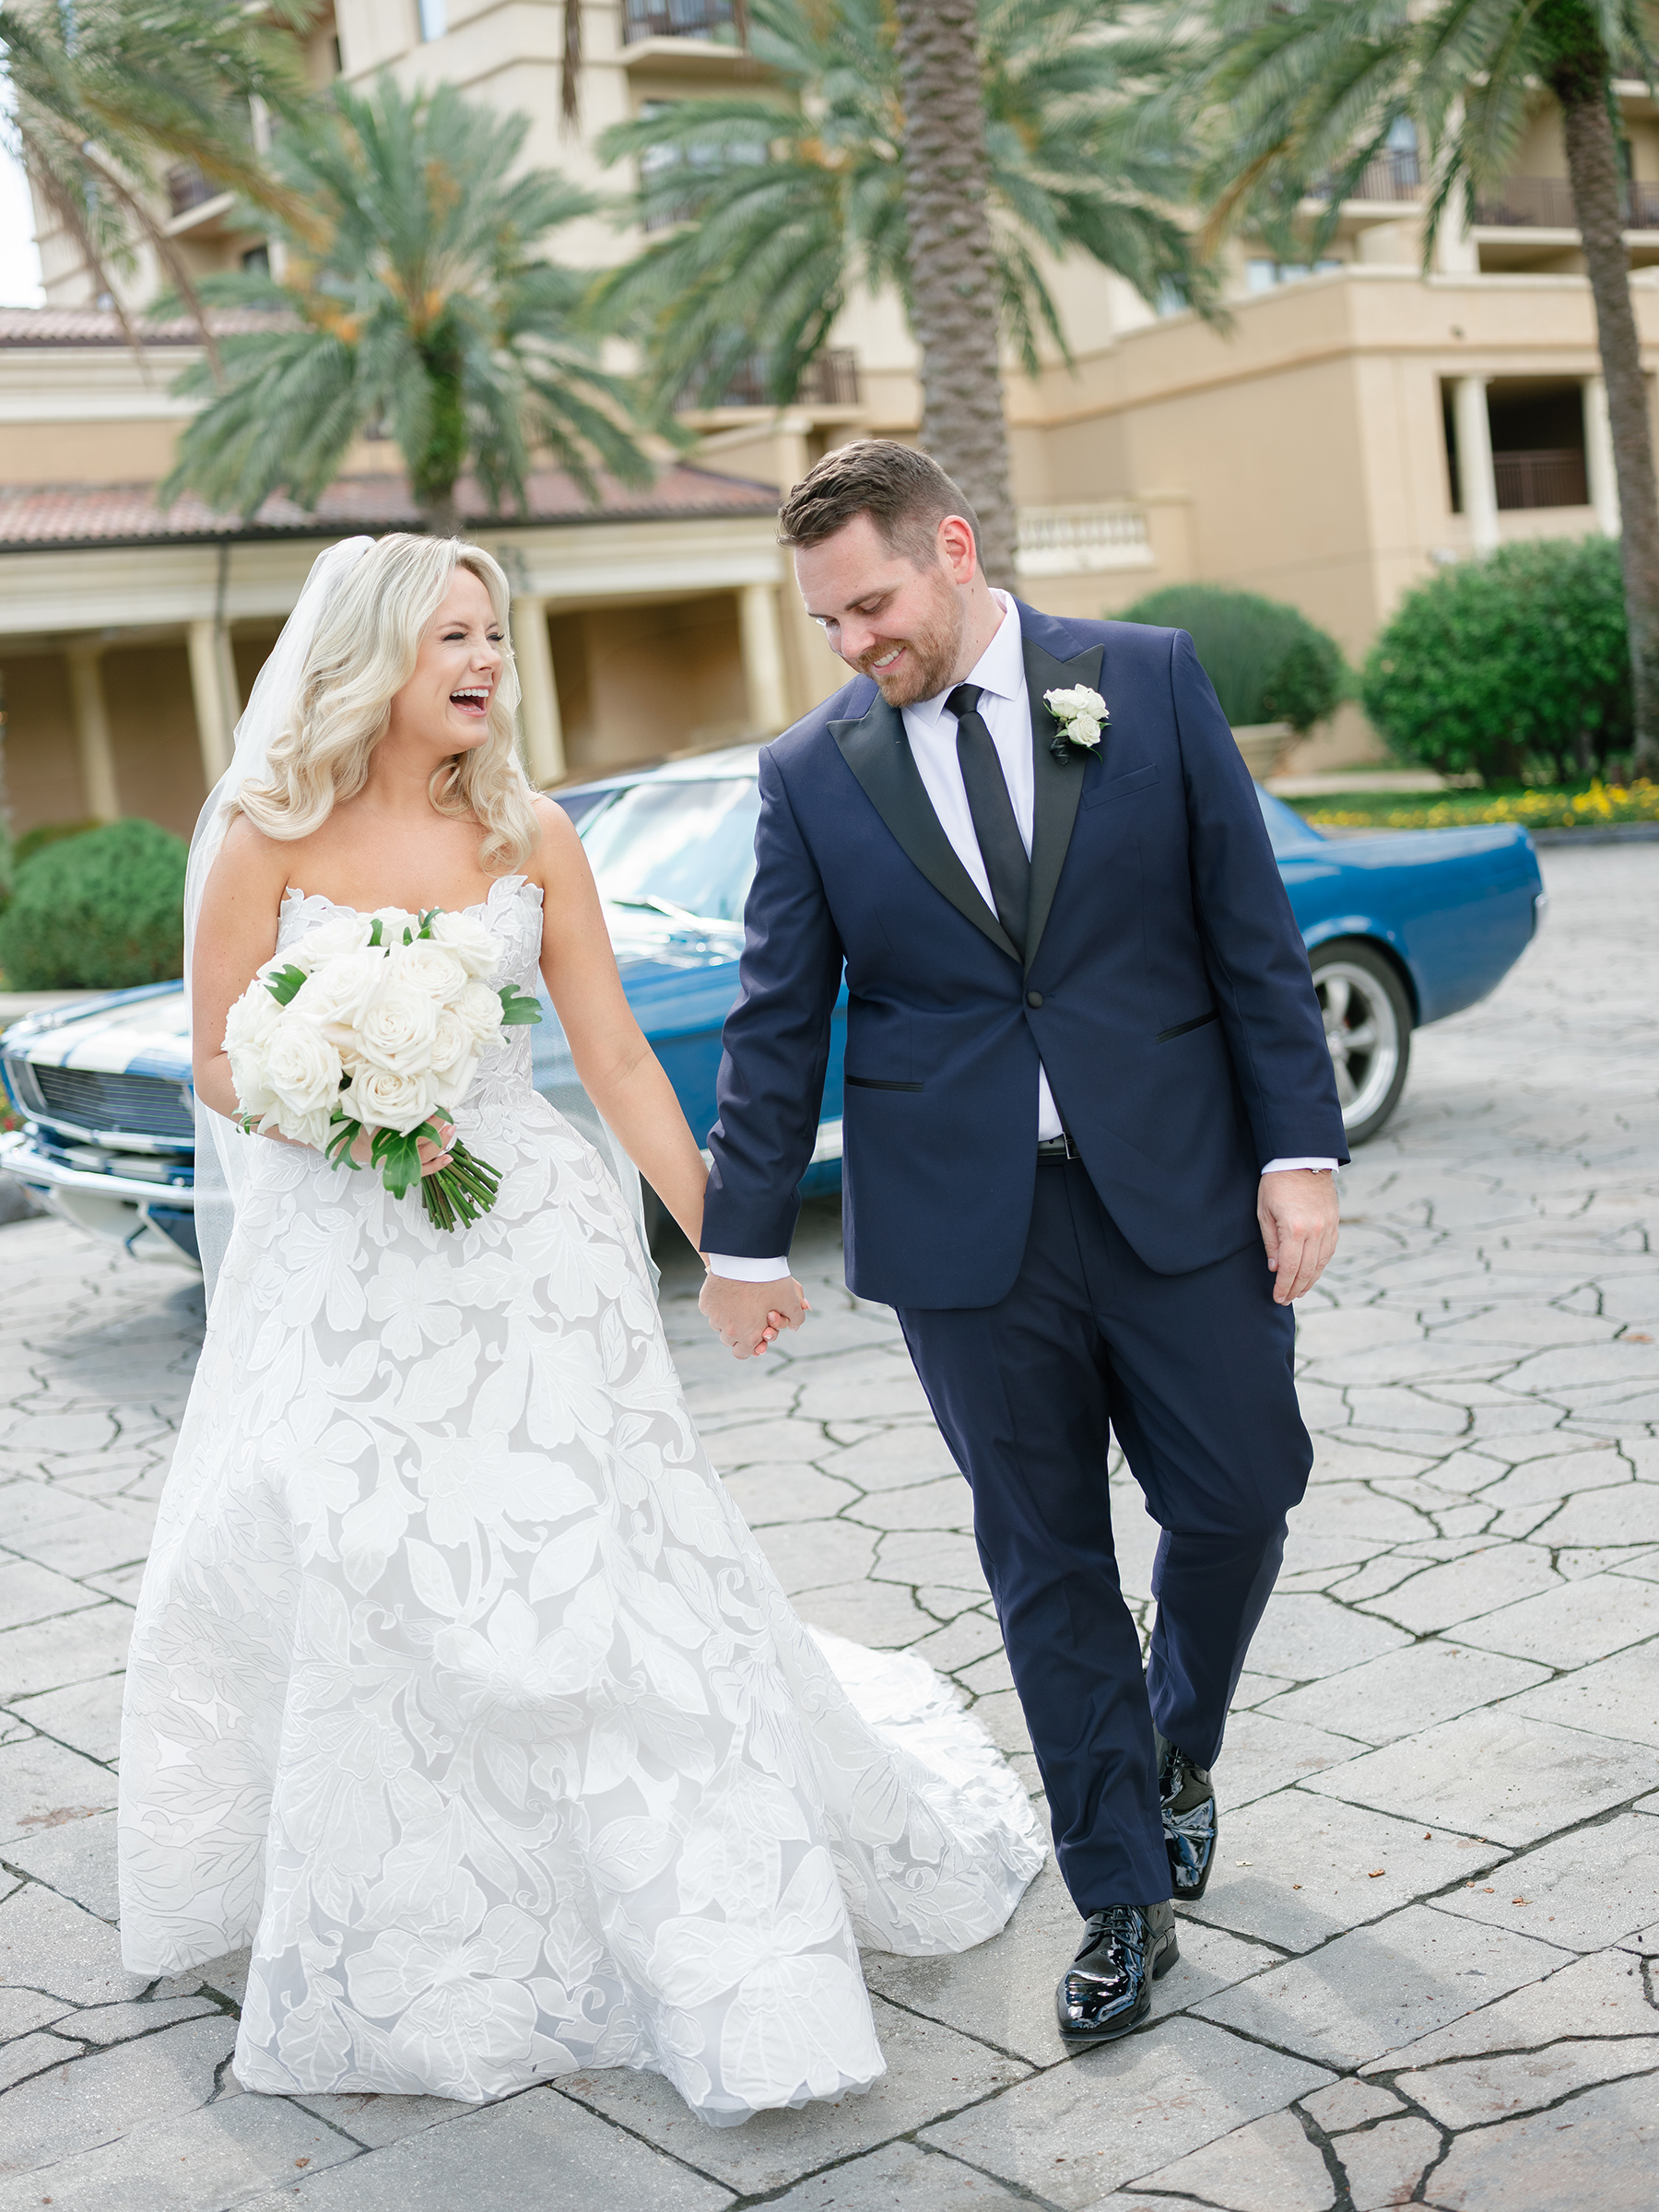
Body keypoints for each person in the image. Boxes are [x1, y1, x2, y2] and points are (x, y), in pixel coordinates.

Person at [117, 531, 1042, 2124]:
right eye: (448, 637)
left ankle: (685, 1909)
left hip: (530, 1256)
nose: (483, 660)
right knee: (362, 1559)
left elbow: (612, 1059)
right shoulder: (264, 838)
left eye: (494, 633)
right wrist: (338, 1092)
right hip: (345, 1267)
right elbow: (212, 1054)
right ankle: (416, 1910)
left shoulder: (532, 834)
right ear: (368, 657)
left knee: (592, 1566)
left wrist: (729, 1241)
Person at [698, 441, 1347, 2045]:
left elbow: (1249, 934)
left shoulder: (1147, 681)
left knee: (1244, 1487)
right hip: (964, 1234)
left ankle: (1177, 1738)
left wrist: (1300, 1151)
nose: (854, 642)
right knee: (1043, 1561)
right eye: (826, 621)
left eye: (872, 603)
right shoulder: (811, 773)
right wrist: (742, 1240)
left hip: (1181, 1189)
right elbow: (781, 1017)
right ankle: (1121, 1893)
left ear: (956, 549)